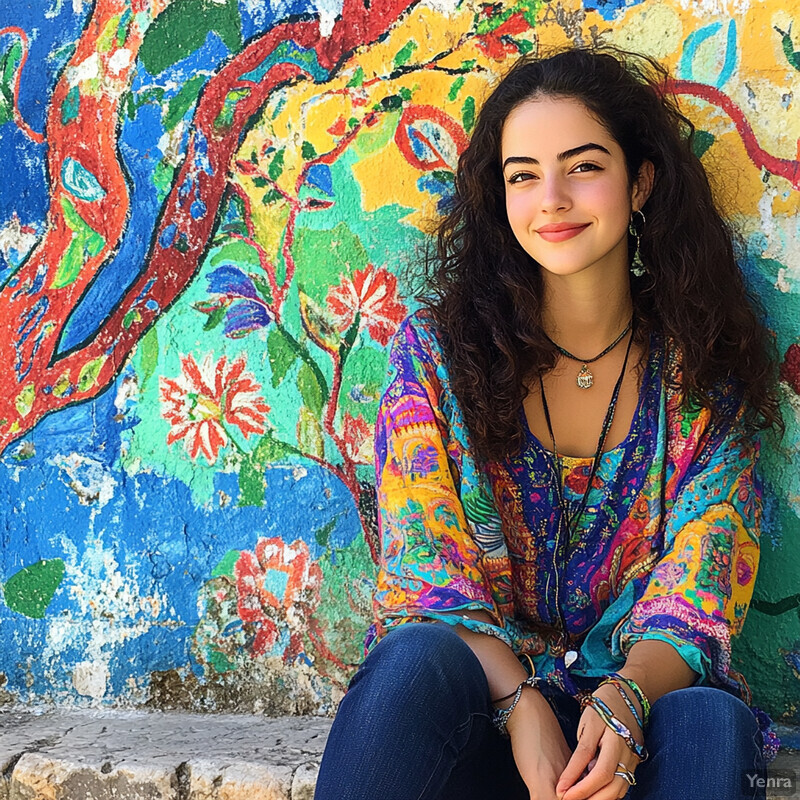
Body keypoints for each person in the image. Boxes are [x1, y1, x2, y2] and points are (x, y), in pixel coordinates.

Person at [314, 45, 783, 800]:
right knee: (412, 664)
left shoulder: (701, 372)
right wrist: (519, 701)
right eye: (523, 175)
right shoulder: (435, 358)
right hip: (482, 716)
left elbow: (699, 588)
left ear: (642, 182)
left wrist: (627, 700)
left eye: (584, 166)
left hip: (641, 723)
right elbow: (425, 572)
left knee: (709, 720)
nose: (552, 199)